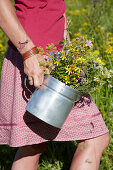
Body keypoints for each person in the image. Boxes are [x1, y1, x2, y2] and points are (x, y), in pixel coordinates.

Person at [0, 0, 110, 170]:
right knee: (94, 137)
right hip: (35, 59)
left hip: (55, 58)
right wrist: (28, 53)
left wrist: (68, 51)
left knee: (34, 144)